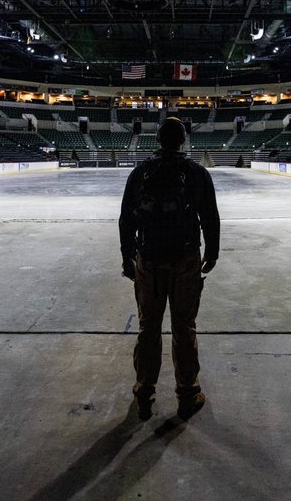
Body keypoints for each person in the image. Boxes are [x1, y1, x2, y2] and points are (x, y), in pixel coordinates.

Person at [119, 117, 219, 422]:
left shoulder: (141, 172)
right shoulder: (197, 173)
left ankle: (144, 394)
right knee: (184, 327)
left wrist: (127, 257)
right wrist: (211, 253)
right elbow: (210, 217)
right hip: (185, 260)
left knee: (148, 328)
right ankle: (188, 394)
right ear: (183, 141)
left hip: (147, 259)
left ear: (158, 140)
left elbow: (126, 219)